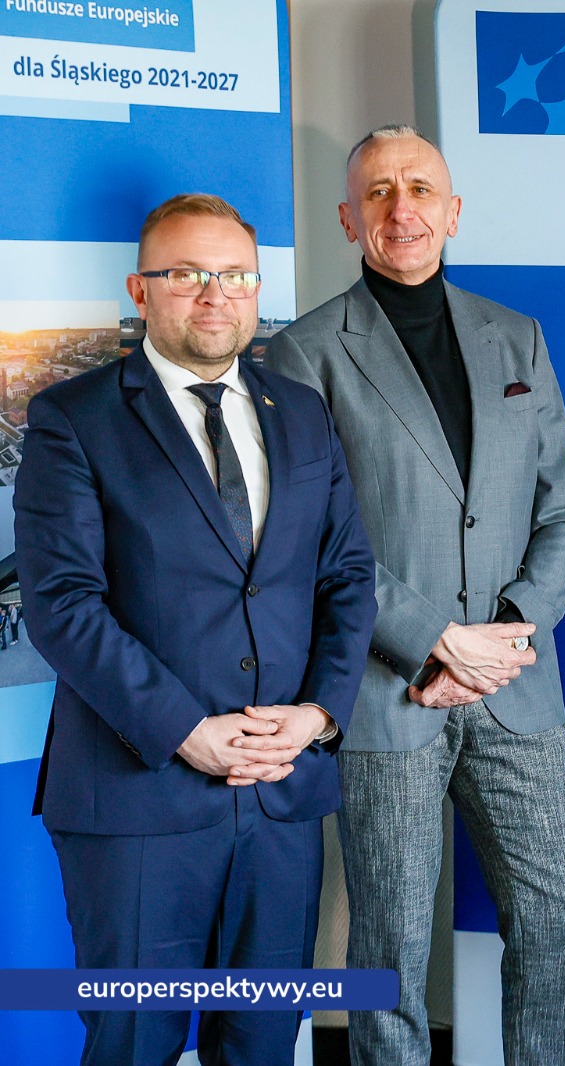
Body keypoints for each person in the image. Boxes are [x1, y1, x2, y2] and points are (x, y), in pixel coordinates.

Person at [16, 193, 376, 1065]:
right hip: (137, 795)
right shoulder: (73, 417)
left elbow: (347, 576)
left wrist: (319, 715)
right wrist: (186, 730)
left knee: (262, 1040)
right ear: (140, 289)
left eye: (236, 276)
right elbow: (62, 603)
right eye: (187, 274)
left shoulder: (303, 412)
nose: (216, 295)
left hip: (282, 791)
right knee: (133, 1041)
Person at [267, 126, 565, 1066]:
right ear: (348, 218)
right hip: (385, 690)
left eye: (419, 189)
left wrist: (504, 635)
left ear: (453, 212)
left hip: (516, 686)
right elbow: (309, 541)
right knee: (390, 950)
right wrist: (436, 641)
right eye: (378, 192)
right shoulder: (303, 354)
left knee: (558, 917)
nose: (400, 208)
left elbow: (564, 513)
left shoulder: (517, 335)